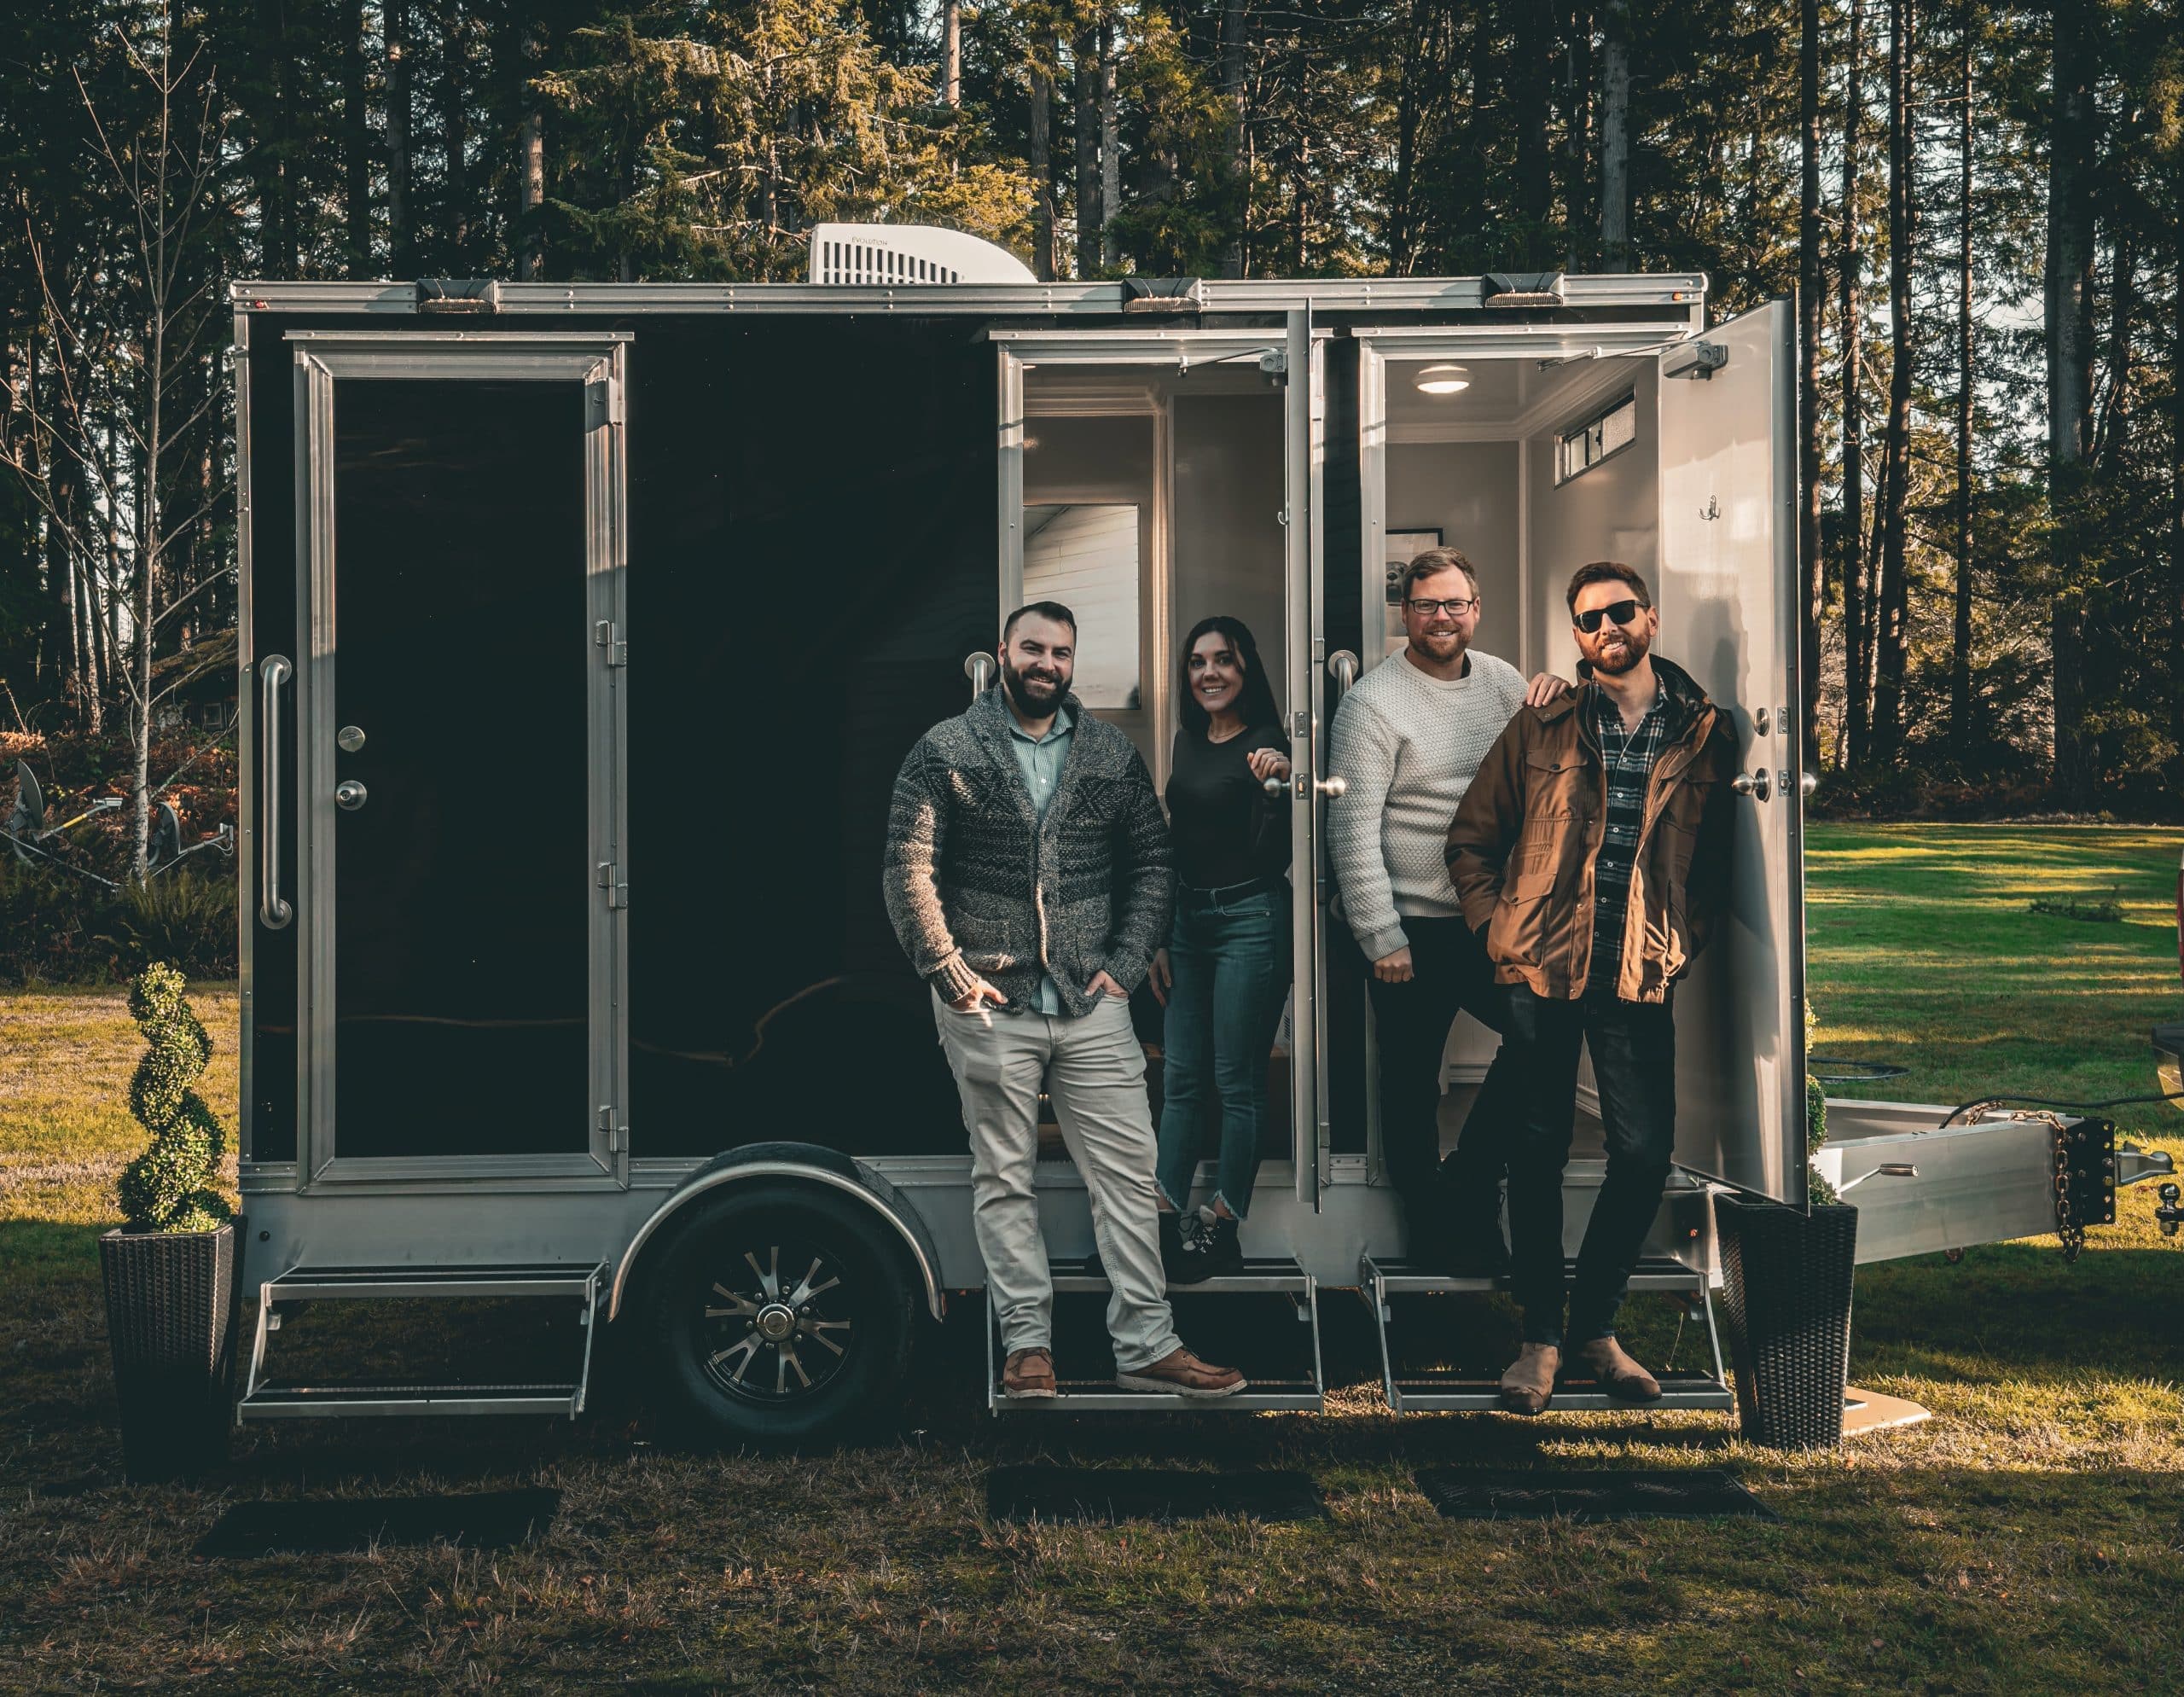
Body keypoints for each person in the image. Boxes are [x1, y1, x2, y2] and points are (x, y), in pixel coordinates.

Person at [882, 600, 1246, 1401]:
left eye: (1061, 652)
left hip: (1092, 1002)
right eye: (1033, 648)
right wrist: (946, 967)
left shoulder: (1109, 752)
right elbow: (908, 866)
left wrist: (1127, 960)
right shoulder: (946, 747)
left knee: (1131, 1175)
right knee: (1004, 1176)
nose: (1047, 664)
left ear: (1073, 662)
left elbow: (1153, 861)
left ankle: (1147, 1344)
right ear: (1003, 653)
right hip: (987, 1003)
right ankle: (1028, 1348)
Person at [1447, 561, 1734, 1415]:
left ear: (1650, 617)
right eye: (1588, 619)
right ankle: (1540, 1337)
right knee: (1536, 1151)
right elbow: (1471, 838)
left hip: (1636, 970)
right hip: (1542, 966)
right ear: (1576, 635)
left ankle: (1596, 1332)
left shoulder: (1703, 732)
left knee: (1642, 1153)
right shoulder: (1544, 722)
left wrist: (1680, 942)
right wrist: (1496, 928)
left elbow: (1715, 866)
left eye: (1620, 612)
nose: (1607, 628)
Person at [1325, 547, 1565, 1276]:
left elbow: (1550, 762)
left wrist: (1558, 695)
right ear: (1405, 614)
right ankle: (1433, 1224)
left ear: (1475, 609)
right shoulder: (1372, 702)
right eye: (1426, 604)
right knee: (1409, 1085)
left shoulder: (1502, 682)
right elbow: (1351, 829)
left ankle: (1472, 1174)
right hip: (1411, 926)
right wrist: (1381, 936)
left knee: (1544, 1034)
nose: (1441, 617)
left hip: (1489, 916)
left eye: (1454, 603)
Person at [1147, 616, 1292, 1282]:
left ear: (1244, 669)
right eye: (1198, 661)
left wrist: (1278, 787)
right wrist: (1161, 931)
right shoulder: (1187, 741)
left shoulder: (1268, 745)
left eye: (1223, 660)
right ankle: (1161, 1221)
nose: (1210, 672)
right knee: (1180, 1077)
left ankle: (1224, 1224)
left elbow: (1274, 851)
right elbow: (1178, 843)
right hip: (1188, 922)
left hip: (1250, 918)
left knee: (1237, 1079)